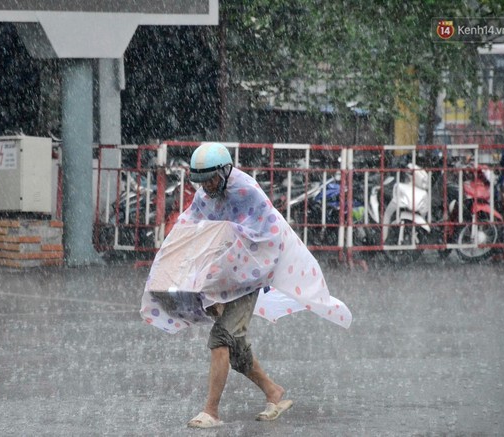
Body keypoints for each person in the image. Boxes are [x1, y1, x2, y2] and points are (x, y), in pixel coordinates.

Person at [140, 142, 352, 429]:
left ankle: (211, 411)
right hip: (224, 276)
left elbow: (267, 235)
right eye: (202, 181)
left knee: (221, 338)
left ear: (226, 171)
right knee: (236, 349)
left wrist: (234, 243)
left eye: (212, 179)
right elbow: (192, 228)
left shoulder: (247, 191)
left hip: (251, 273)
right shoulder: (206, 193)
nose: (209, 187)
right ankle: (273, 392)